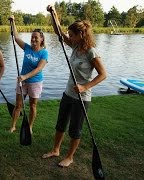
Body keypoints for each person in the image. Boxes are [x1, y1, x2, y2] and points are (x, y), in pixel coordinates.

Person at [42, 5, 107, 167]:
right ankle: (56, 150)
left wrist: (85, 87)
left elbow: (103, 74)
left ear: (81, 35)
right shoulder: (75, 46)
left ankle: (70, 157)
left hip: (82, 98)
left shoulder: (91, 52)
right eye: (69, 35)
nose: (69, 37)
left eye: (72, 35)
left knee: (75, 129)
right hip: (68, 93)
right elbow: (58, 32)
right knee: (60, 124)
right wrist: (53, 13)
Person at [8, 15, 48, 134]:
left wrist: (25, 76)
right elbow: (16, 37)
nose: (33, 40)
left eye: (36, 38)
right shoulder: (27, 48)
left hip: (35, 82)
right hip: (22, 81)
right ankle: (13, 126)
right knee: (18, 105)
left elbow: (39, 69)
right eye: (32, 37)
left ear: (41, 39)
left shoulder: (44, 53)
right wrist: (13, 22)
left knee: (32, 106)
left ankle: (29, 126)